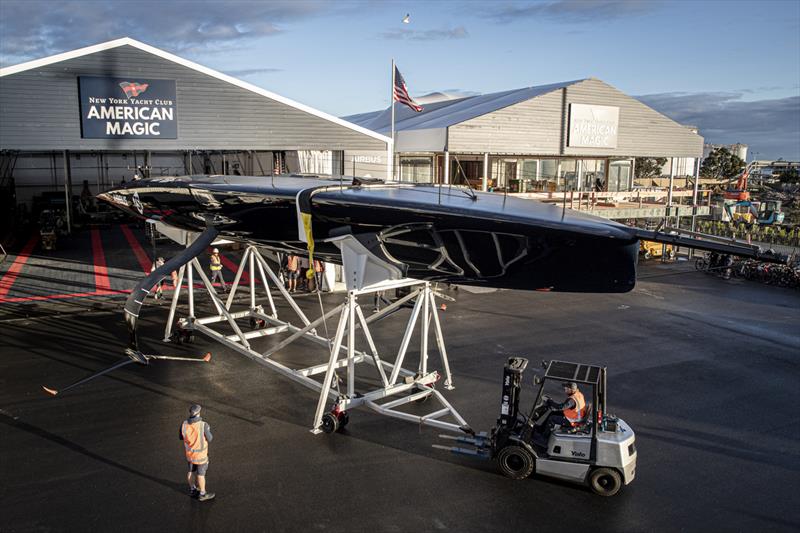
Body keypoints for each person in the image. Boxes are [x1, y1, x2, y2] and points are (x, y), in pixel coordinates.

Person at [180, 404, 215, 501]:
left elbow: (181, 437)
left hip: (190, 455)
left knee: (191, 471)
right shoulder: (203, 425)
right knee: (201, 474)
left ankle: (192, 489)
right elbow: (210, 438)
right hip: (201, 456)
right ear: (199, 413)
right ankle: (203, 493)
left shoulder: (184, 424)